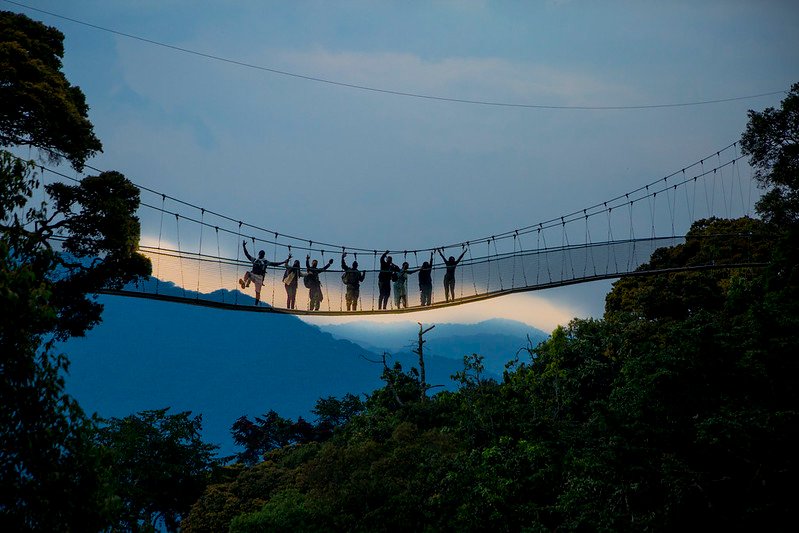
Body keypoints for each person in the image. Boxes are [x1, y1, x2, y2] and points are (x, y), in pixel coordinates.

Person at [239, 240, 290, 306]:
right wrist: (244, 246)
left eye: (261, 254)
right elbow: (275, 264)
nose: (260, 255)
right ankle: (244, 282)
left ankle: (246, 283)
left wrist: (244, 246)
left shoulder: (257, 260)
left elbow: (247, 255)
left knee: (257, 291)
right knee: (249, 276)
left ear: (259, 254)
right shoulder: (261, 261)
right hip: (256, 276)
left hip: (259, 277)